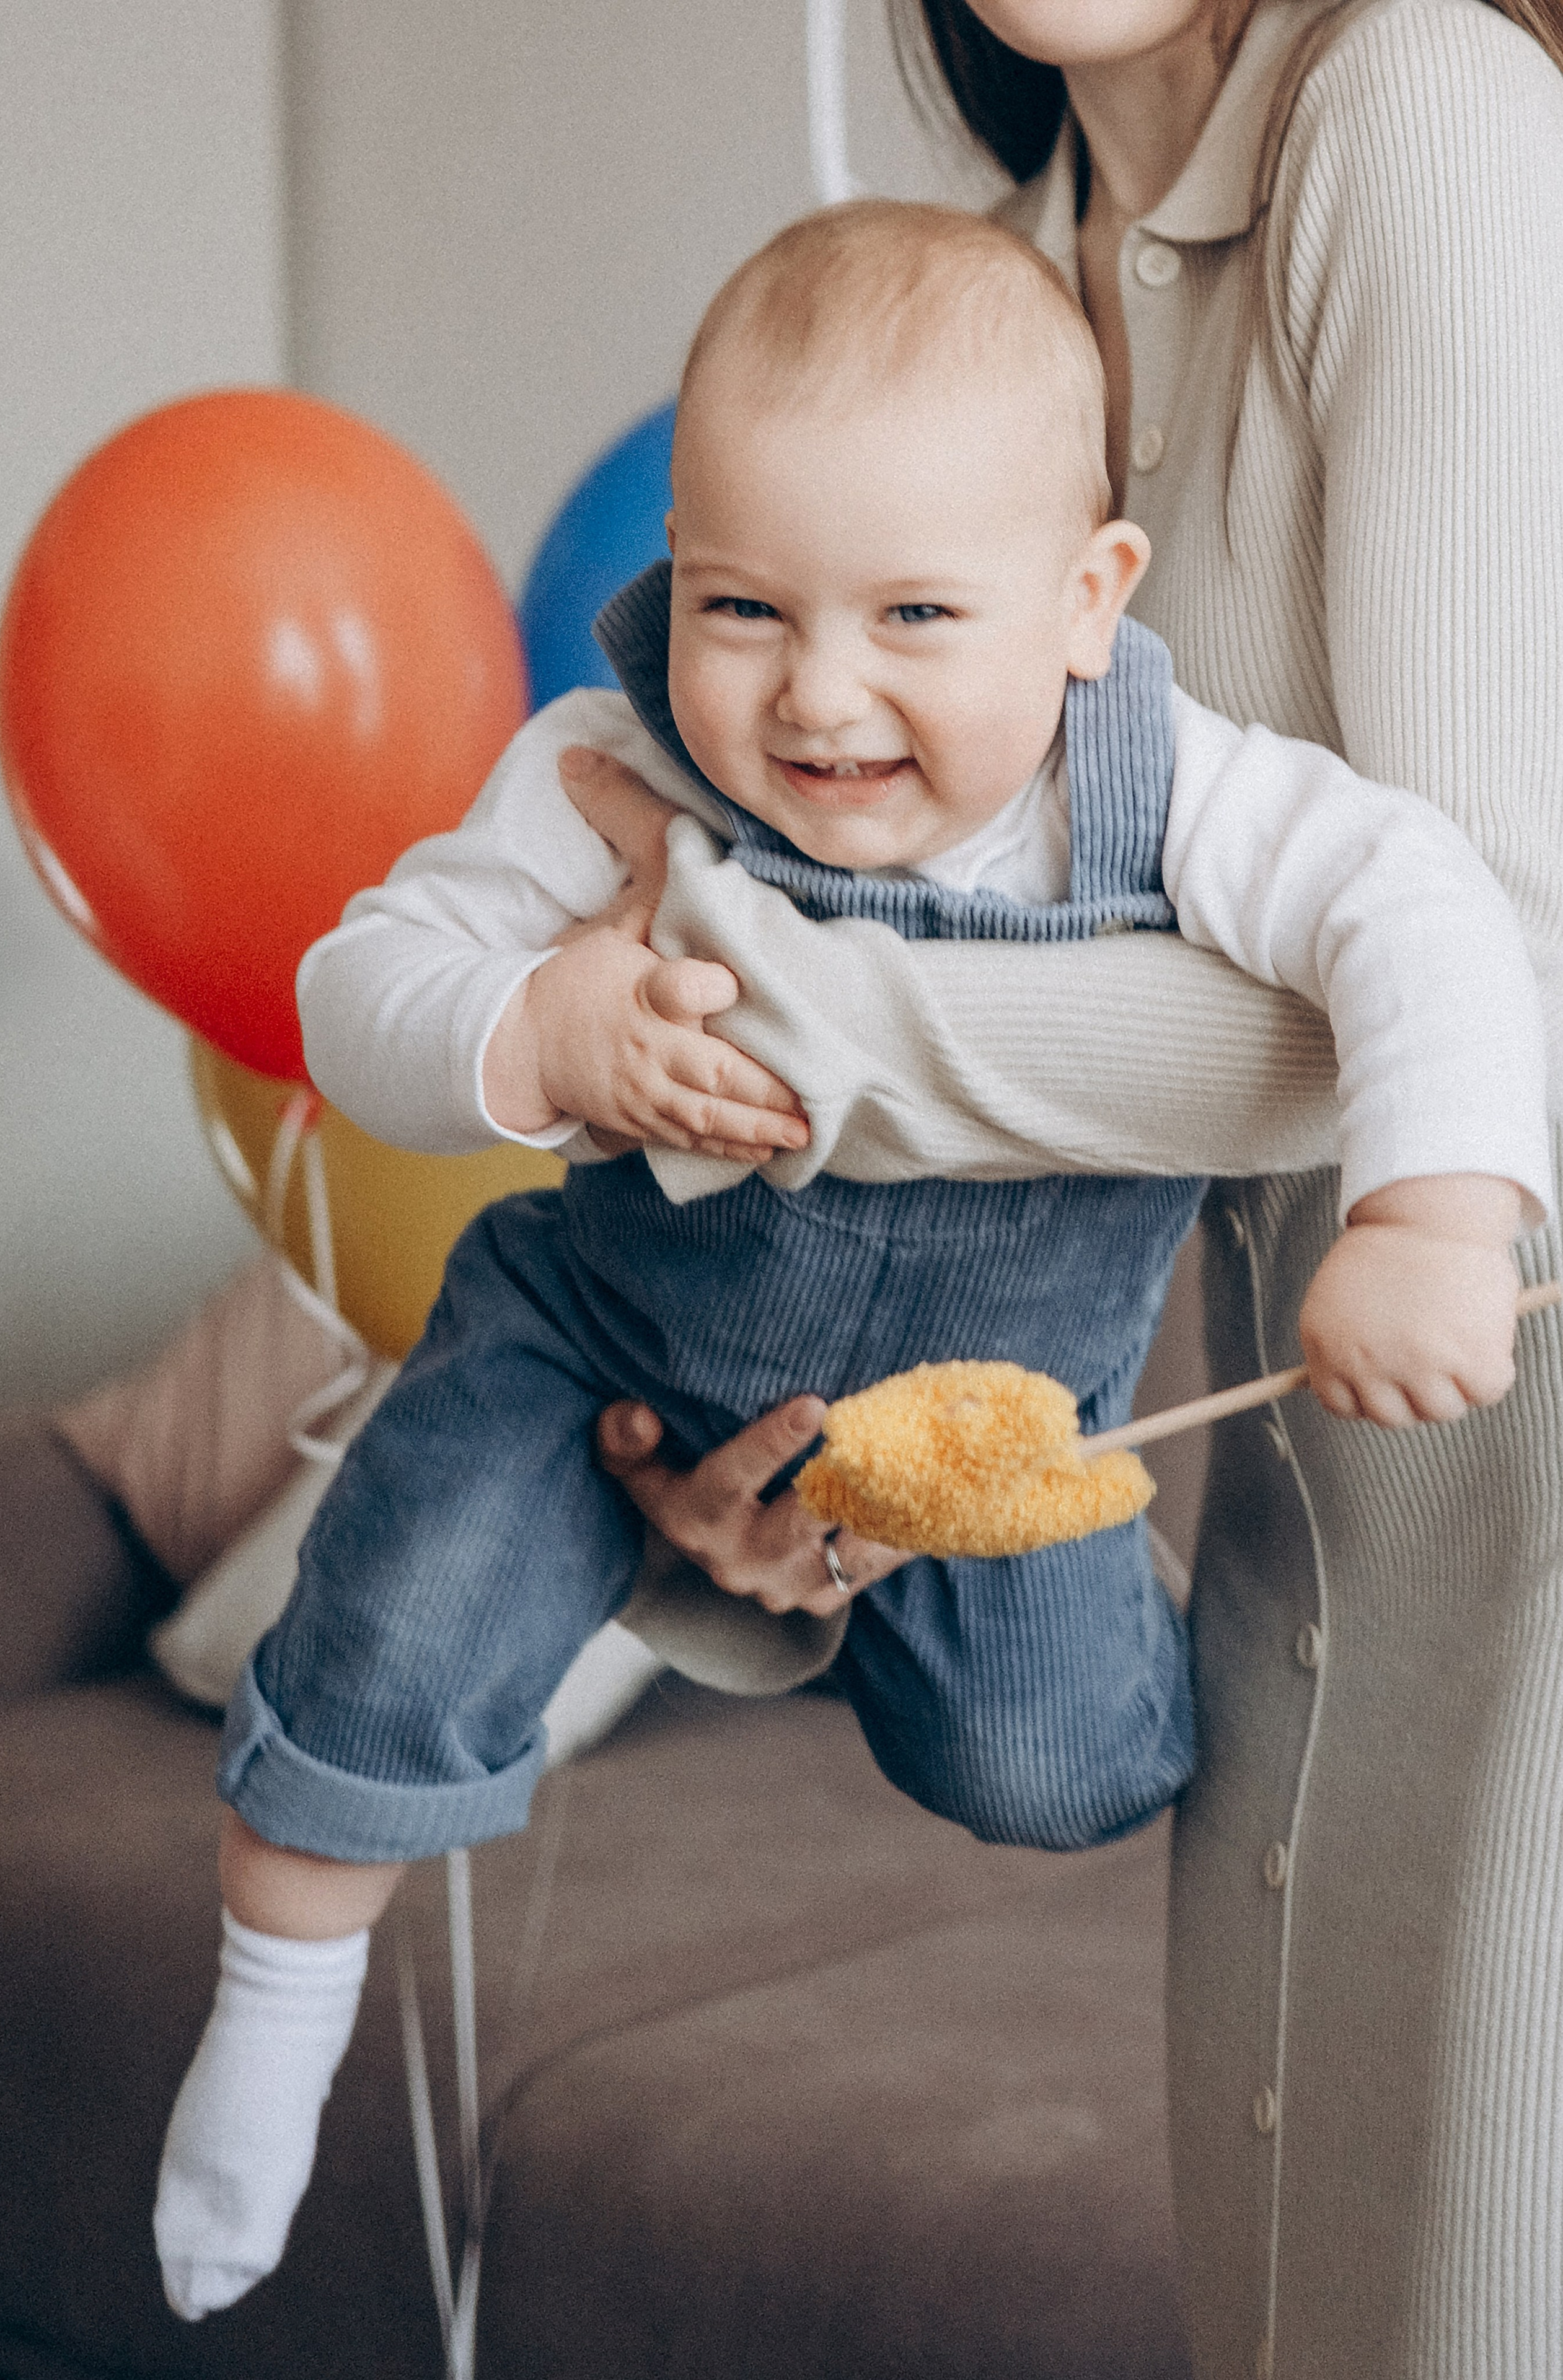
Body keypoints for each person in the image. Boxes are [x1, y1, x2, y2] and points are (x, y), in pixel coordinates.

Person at [152, 196, 1552, 2327]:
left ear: (1088, 603)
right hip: (608, 1342)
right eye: (744, 605)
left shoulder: (1161, 787)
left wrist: (1434, 1209)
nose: (817, 692)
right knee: (393, 1628)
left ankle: (940, 1625)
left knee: (1067, 1766)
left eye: (914, 614)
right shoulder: (607, 768)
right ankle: (272, 2008)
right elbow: (357, 990)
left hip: (979, 1428)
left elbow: (1421, 902)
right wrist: (538, 1027)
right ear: (679, 571)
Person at [565, 6, 1563, 2375]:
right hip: (1289, 1595)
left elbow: (1506, 954)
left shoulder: (1417, 111)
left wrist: (794, 1026)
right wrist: (799, 1494)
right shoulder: (993, 283)